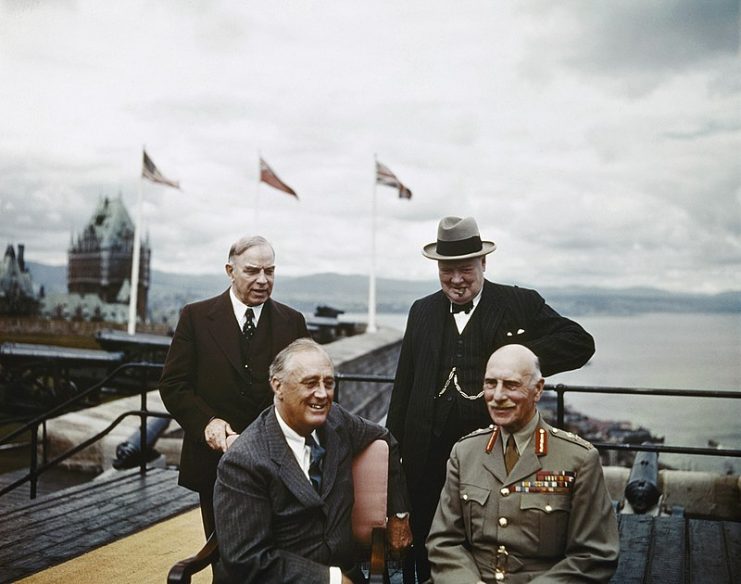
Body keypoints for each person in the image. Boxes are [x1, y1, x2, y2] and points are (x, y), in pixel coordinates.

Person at [386, 216, 596, 581]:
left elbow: (580, 343)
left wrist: (516, 357)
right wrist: (395, 491)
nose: (456, 280)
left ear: (484, 263)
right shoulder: (421, 311)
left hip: (492, 463)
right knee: (424, 559)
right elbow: (402, 393)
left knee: (484, 553)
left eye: (465, 269)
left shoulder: (519, 303)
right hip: (425, 467)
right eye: (447, 270)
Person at [213, 339, 413, 583]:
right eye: (310, 383)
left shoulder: (337, 421)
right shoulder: (244, 462)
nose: (322, 394)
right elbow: (246, 559)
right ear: (278, 386)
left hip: (346, 572)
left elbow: (386, 439)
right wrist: (330, 579)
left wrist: (398, 515)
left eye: (328, 383)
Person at [426, 344, 619, 583]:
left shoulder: (578, 459)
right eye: (490, 383)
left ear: (537, 390)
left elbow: (594, 555)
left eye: (511, 385)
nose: (497, 396)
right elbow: (444, 542)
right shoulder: (465, 453)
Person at [159, 235, 308, 538]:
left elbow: (305, 388)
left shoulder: (292, 322)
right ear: (230, 271)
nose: (263, 280)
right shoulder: (196, 317)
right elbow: (174, 385)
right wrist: (208, 423)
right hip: (214, 464)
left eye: (270, 271)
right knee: (223, 560)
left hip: (278, 466)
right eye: (253, 271)